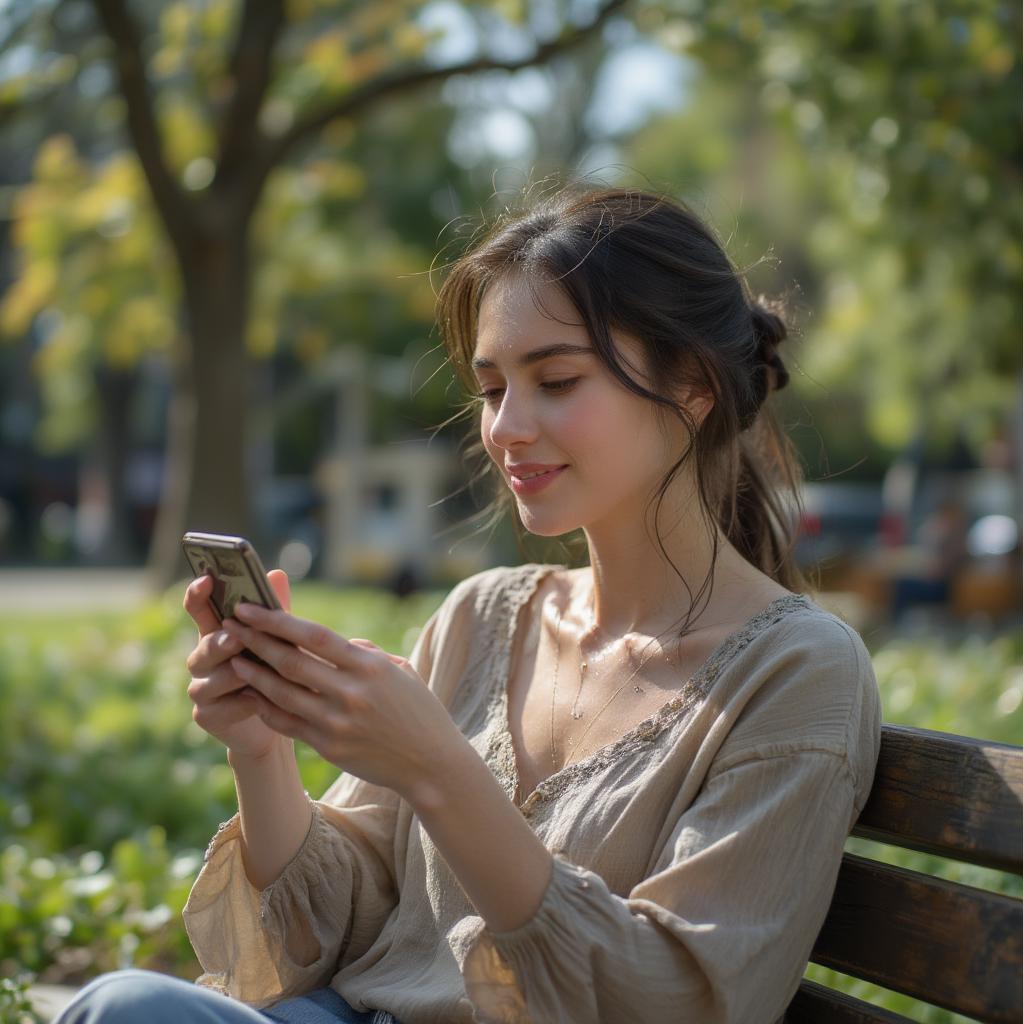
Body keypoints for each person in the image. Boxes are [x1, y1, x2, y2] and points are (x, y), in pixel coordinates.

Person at [58, 183, 882, 1024]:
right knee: (124, 1007)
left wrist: (439, 770)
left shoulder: (796, 671)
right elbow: (338, 928)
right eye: (492, 390)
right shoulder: (483, 617)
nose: (508, 427)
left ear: (694, 387)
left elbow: (682, 1001)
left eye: (556, 380)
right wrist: (262, 751)